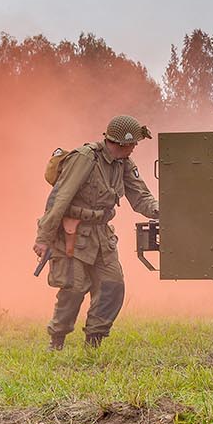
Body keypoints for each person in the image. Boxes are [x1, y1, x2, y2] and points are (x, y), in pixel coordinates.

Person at [33, 115, 161, 350]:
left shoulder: (124, 163)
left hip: (102, 235)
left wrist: (162, 211)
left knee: (113, 285)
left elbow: (140, 196)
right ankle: (56, 341)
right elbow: (60, 198)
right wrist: (43, 237)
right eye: (133, 143)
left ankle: (93, 342)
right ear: (121, 142)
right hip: (73, 234)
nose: (135, 147)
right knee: (73, 289)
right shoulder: (85, 158)